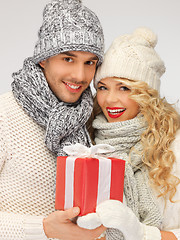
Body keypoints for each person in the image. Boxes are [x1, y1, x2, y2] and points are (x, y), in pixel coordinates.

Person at [0, 0, 106, 239]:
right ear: (43, 59)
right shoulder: (5, 114)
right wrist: (44, 229)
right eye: (68, 59)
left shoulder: (92, 119)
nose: (80, 76)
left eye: (89, 62)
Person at [77, 27, 180, 240]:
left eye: (124, 88)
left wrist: (142, 234)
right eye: (103, 87)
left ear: (146, 92)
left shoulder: (174, 146)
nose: (109, 100)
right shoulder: (88, 143)